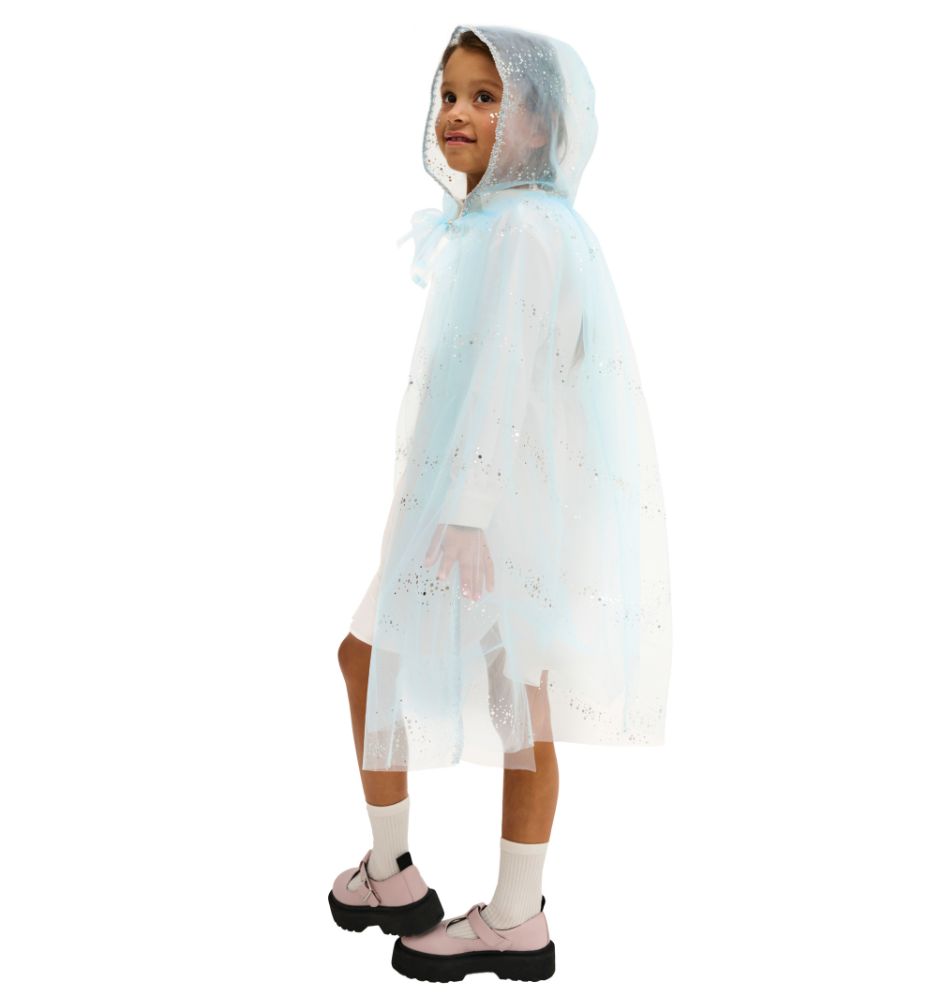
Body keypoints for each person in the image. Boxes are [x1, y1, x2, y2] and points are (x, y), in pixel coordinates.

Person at [329, 24, 673, 982]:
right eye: (450, 94)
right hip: (466, 508)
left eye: (488, 97)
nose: (459, 113)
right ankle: (404, 878)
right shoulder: (502, 224)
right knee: (435, 676)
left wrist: (470, 512)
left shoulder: (525, 231)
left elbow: (510, 374)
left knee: (486, 690)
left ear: (541, 124)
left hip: (488, 518)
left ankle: (498, 911)